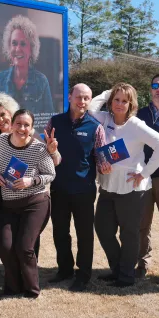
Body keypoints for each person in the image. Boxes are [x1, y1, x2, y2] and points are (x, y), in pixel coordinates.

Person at [89, 83, 159, 287]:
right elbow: (92, 108)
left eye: (124, 101)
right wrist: (107, 92)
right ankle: (119, 269)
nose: (120, 104)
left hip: (132, 188)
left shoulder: (136, 125)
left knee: (129, 233)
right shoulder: (105, 119)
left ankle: (126, 276)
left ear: (131, 104)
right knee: (102, 228)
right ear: (111, 102)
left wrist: (144, 172)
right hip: (108, 185)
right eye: (116, 100)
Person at [0, 92, 60, 259]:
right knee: (7, 241)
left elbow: (55, 161)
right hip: (5, 195)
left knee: (27, 242)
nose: (1, 120)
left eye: (3, 114)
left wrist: (53, 152)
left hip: (32, 196)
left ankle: (29, 270)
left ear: (11, 112)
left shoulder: (31, 134)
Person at [46, 84, 106, 292]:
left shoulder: (96, 127)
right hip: (59, 188)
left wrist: (104, 167)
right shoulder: (54, 122)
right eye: (78, 97)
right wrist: (51, 151)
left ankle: (84, 274)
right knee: (60, 232)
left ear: (90, 101)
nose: (82, 102)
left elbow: (100, 158)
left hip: (84, 190)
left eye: (86, 98)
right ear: (70, 97)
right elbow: (47, 155)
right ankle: (64, 269)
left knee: (84, 234)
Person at [0, 109, 55, 298]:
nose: (22, 128)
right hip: (9, 205)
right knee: (5, 246)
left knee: (24, 246)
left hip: (34, 203)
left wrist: (31, 181)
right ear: (11, 125)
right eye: (18, 124)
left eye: (26, 125)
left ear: (31, 128)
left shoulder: (39, 148)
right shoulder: (2, 141)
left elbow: (51, 174)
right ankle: (13, 287)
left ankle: (31, 289)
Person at [0, 15, 54, 115]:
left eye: (23, 44)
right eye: (14, 43)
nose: (17, 49)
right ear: (9, 46)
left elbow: (48, 117)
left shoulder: (41, 81)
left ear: (31, 48)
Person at [136, 74, 159, 278]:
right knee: (142, 223)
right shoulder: (140, 114)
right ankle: (142, 264)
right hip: (143, 176)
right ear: (150, 89)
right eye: (155, 85)